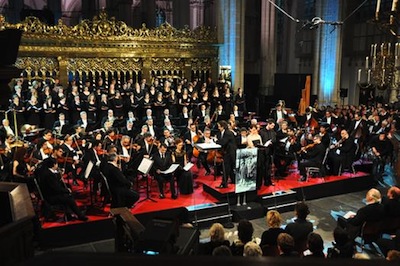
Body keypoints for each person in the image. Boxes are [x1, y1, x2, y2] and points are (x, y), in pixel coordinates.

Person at [216, 120, 236, 188]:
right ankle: (233, 180)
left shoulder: (228, 133)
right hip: (226, 152)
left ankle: (224, 184)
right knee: (229, 168)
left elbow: (223, 142)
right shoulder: (222, 133)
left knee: (226, 168)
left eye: (219, 126)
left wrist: (216, 141)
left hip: (230, 153)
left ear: (223, 127)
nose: (218, 128)